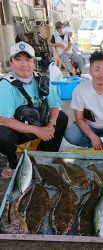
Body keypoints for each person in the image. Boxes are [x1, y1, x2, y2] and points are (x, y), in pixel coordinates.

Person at [0, 41, 68, 177]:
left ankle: (43, 156)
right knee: (1, 132)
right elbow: (4, 120)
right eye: (18, 59)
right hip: (19, 131)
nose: (24, 64)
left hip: (39, 123)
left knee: (62, 117)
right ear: (11, 63)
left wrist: (50, 126)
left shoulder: (42, 80)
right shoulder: (5, 85)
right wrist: (37, 130)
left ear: (34, 63)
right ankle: (13, 163)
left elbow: (55, 106)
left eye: (27, 59)